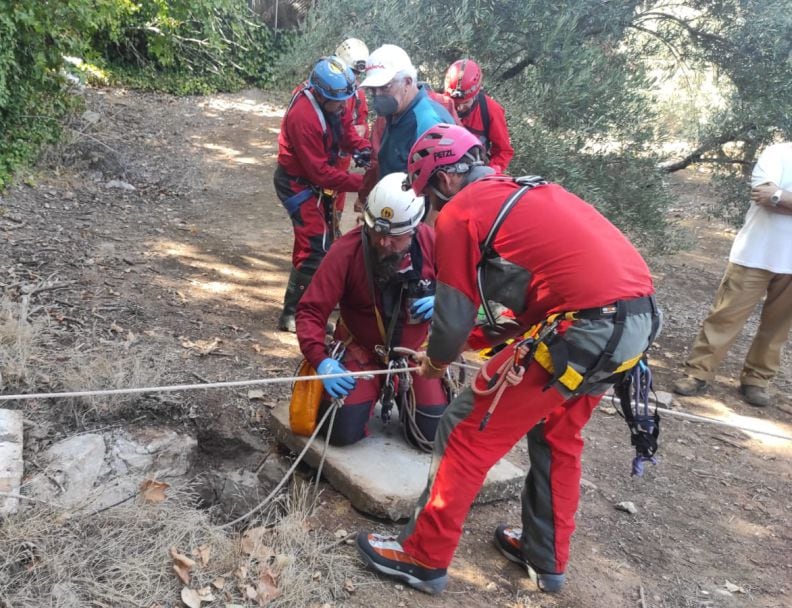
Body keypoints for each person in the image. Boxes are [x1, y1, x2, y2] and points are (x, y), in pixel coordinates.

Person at [355, 124, 660, 594]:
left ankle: (422, 556)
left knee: (465, 428)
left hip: (585, 328)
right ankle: (546, 555)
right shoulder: (524, 194)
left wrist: (436, 362)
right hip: (632, 323)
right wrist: (469, 342)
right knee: (559, 432)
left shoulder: (464, 211)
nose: (434, 208)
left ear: (442, 180)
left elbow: (451, 318)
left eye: (430, 195)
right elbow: (531, 310)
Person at [295, 172, 448, 449]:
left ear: (414, 230)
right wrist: (321, 361)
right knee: (340, 431)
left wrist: (445, 300)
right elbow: (310, 311)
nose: (382, 243)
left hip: (415, 355)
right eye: (377, 232)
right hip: (361, 351)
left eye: (393, 237)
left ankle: (404, 396)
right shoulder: (346, 252)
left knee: (431, 434)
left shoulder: (434, 244)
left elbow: (469, 290)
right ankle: (367, 395)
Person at [672, 142, 792, 408]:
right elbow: (763, 195)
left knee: (777, 328)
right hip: (755, 253)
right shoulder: (778, 153)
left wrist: (781, 197)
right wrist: (775, 198)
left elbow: (774, 198)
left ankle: (757, 381)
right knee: (724, 317)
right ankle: (698, 373)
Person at [275, 56, 371, 332]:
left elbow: (345, 132)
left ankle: (306, 307)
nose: (343, 107)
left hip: (310, 181)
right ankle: (292, 313)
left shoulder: (333, 102)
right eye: (338, 102)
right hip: (296, 183)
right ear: (321, 94)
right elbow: (319, 172)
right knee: (316, 243)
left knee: (318, 243)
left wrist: (364, 149)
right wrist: (362, 184)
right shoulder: (303, 117)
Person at [357, 45, 454, 215]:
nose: (378, 95)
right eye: (373, 89)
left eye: (385, 87)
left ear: (407, 82)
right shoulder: (395, 113)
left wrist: (425, 237)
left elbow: (444, 192)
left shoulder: (428, 123)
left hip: (413, 226)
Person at [443, 58, 514, 174]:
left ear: (475, 94)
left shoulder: (491, 111)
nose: (459, 108)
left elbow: (504, 150)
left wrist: (490, 172)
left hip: (474, 170)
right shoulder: (440, 104)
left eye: (465, 103)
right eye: (454, 102)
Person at [333, 38, 372, 229]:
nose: (354, 79)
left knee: (334, 216)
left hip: (340, 166)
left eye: (357, 74)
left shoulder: (358, 96)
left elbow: (362, 126)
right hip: (319, 166)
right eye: (352, 73)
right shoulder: (323, 89)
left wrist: (362, 132)